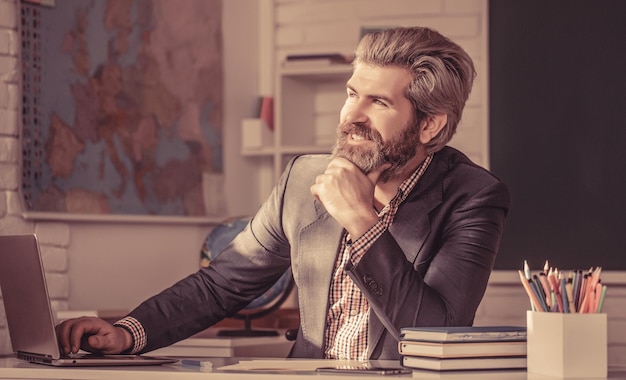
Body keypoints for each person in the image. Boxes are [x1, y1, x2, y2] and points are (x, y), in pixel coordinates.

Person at [56, 26, 510, 360]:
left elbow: (437, 333)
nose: (352, 115)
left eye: (379, 102)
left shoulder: (473, 197)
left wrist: (362, 223)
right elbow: (223, 283)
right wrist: (127, 332)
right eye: (353, 93)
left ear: (430, 125)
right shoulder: (301, 178)